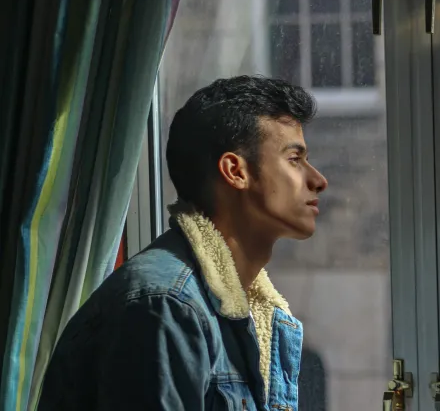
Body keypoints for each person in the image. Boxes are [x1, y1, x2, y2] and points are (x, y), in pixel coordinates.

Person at [38, 75, 328, 410]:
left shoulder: (254, 310)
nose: (318, 180)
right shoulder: (164, 304)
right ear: (235, 171)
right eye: (294, 159)